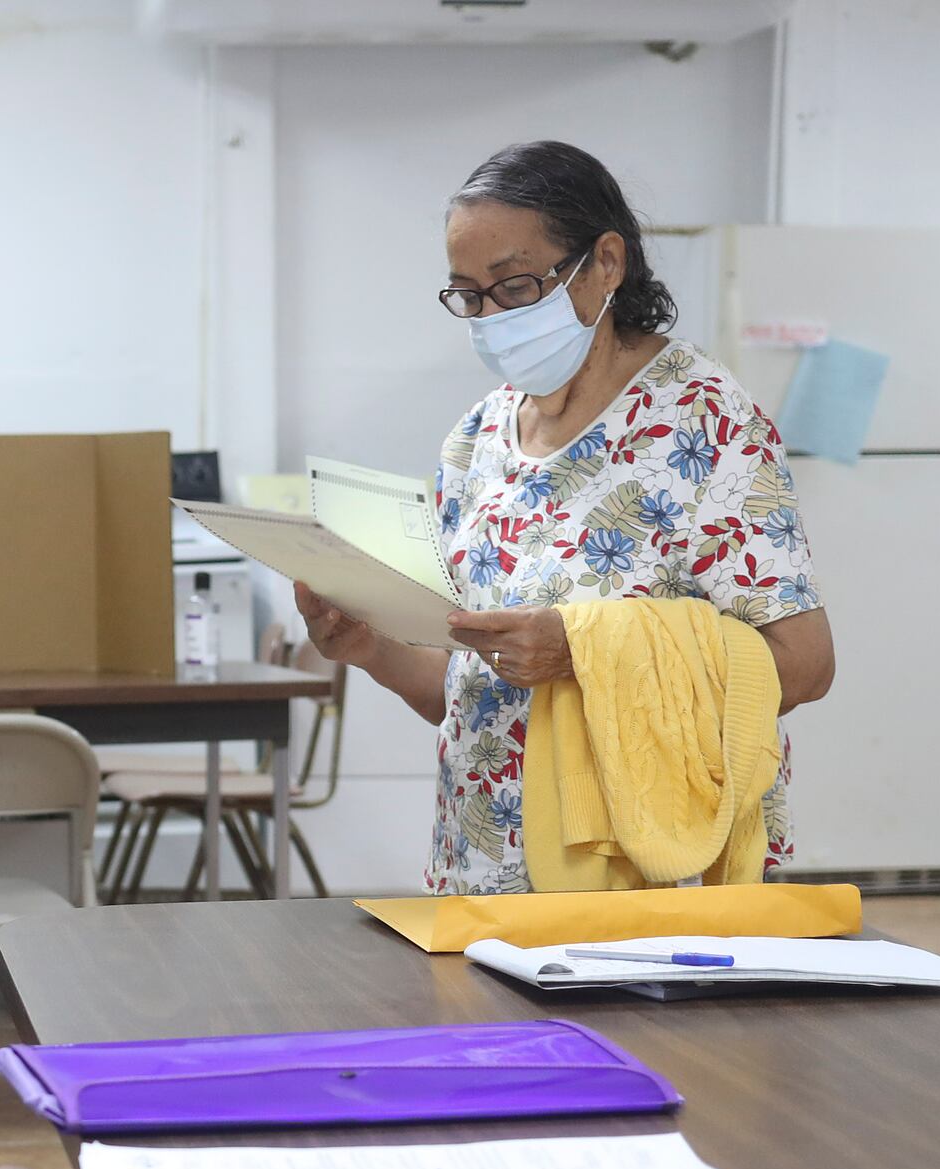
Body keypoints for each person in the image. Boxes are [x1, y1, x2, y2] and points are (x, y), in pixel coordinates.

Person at [299, 140, 836, 893]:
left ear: (605, 265)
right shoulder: (478, 438)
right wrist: (373, 648)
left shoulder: (703, 424)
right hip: (481, 875)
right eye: (468, 295)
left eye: (515, 285)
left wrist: (586, 651)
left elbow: (806, 666)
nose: (490, 317)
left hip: (644, 878)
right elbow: (474, 700)